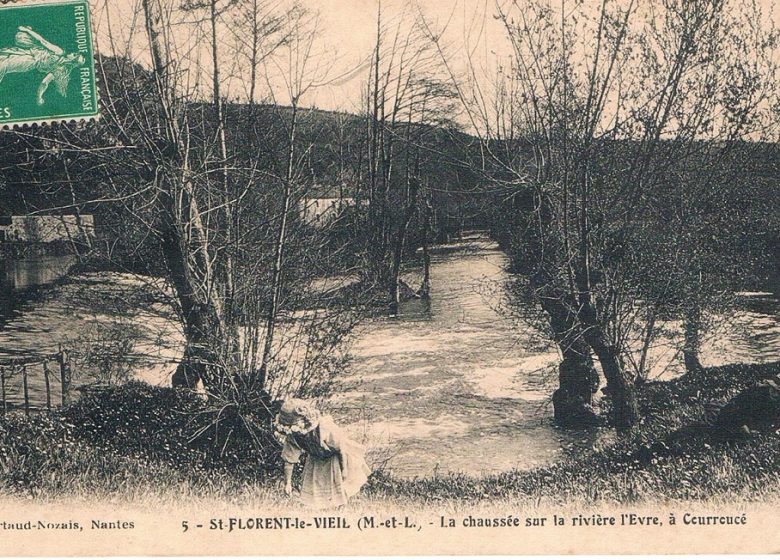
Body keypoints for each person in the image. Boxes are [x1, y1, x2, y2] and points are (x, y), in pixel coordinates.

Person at [274, 398, 371, 509]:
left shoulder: (323, 428)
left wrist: (344, 469)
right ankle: (321, 509)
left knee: (340, 487)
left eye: (295, 424)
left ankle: (341, 509)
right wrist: (288, 483)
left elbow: (340, 448)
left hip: (335, 457)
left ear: (303, 420)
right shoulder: (293, 433)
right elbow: (289, 459)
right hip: (316, 458)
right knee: (314, 492)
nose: (294, 429)